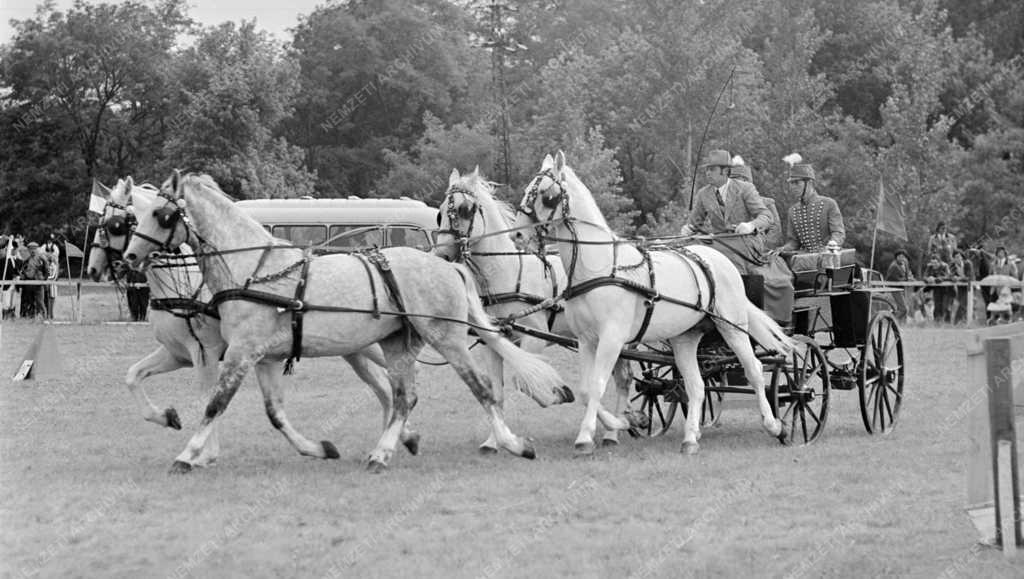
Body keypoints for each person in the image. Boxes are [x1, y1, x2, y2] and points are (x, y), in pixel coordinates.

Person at [680, 150, 791, 323]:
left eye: (712, 169)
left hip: (749, 242)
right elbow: (695, 223)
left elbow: (766, 217)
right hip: (721, 242)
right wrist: (688, 229)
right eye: (706, 169)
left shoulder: (745, 188)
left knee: (719, 255)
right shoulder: (703, 194)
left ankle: (732, 307)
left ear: (725, 171)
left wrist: (751, 225)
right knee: (690, 251)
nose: (707, 173)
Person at [777, 162, 845, 255]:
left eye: (796, 183)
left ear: (809, 183)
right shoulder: (792, 211)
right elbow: (794, 242)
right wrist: (783, 249)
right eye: (791, 183)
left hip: (828, 256)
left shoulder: (829, 204)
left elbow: (838, 233)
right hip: (805, 259)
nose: (792, 187)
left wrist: (832, 245)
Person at [18, 242, 47, 319]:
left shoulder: (42, 259)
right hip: (29, 284)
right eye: (31, 249)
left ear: (37, 249)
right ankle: (31, 317)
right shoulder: (26, 260)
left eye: (34, 249)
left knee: (40, 302)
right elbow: (23, 270)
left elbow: (47, 271)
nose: (33, 251)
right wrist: (23, 276)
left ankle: (44, 317)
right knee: (30, 301)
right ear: (28, 250)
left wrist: (43, 279)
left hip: (39, 284)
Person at [885, 249, 914, 321]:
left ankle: (896, 321)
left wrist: (909, 278)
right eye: (900, 256)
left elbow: (907, 274)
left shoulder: (905, 263)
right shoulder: (894, 266)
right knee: (904, 309)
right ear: (896, 257)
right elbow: (892, 279)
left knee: (900, 308)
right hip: (895, 289)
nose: (902, 258)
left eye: (903, 257)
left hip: (902, 288)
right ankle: (891, 320)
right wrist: (907, 280)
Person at [948, 250, 974, 324]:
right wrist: (953, 278)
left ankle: (956, 322)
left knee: (963, 304)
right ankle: (965, 321)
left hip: (969, 285)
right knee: (962, 303)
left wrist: (959, 278)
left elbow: (969, 276)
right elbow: (950, 275)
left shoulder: (968, 263)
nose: (958, 259)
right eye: (956, 257)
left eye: (959, 257)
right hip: (960, 287)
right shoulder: (952, 265)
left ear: (962, 257)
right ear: (953, 259)